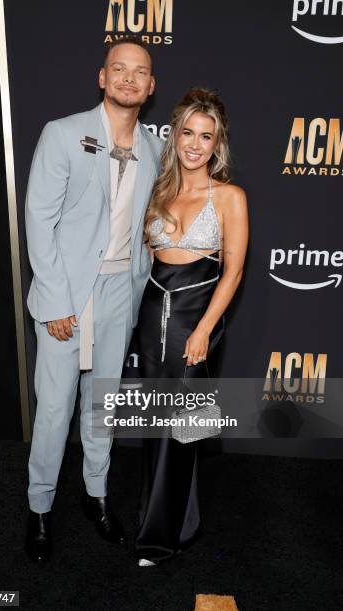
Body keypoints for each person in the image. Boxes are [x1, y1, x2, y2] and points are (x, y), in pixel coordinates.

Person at [24, 38, 163, 563]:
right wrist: (58, 300)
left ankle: (96, 497)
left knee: (101, 406)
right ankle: (38, 509)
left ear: (151, 87)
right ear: (102, 78)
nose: (129, 78)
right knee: (55, 409)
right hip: (67, 293)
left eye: (140, 72)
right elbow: (39, 218)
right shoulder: (62, 134)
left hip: (119, 293)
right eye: (119, 69)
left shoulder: (154, 148)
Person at [134, 87, 249, 566]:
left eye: (207, 136)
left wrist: (204, 328)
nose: (196, 144)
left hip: (195, 316)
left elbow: (235, 271)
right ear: (176, 135)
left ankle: (158, 538)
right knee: (163, 426)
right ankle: (186, 520)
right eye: (188, 133)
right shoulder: (159, 190)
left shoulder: (228, 196)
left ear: (217, 144)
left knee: (178, 428)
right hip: (152, 315)